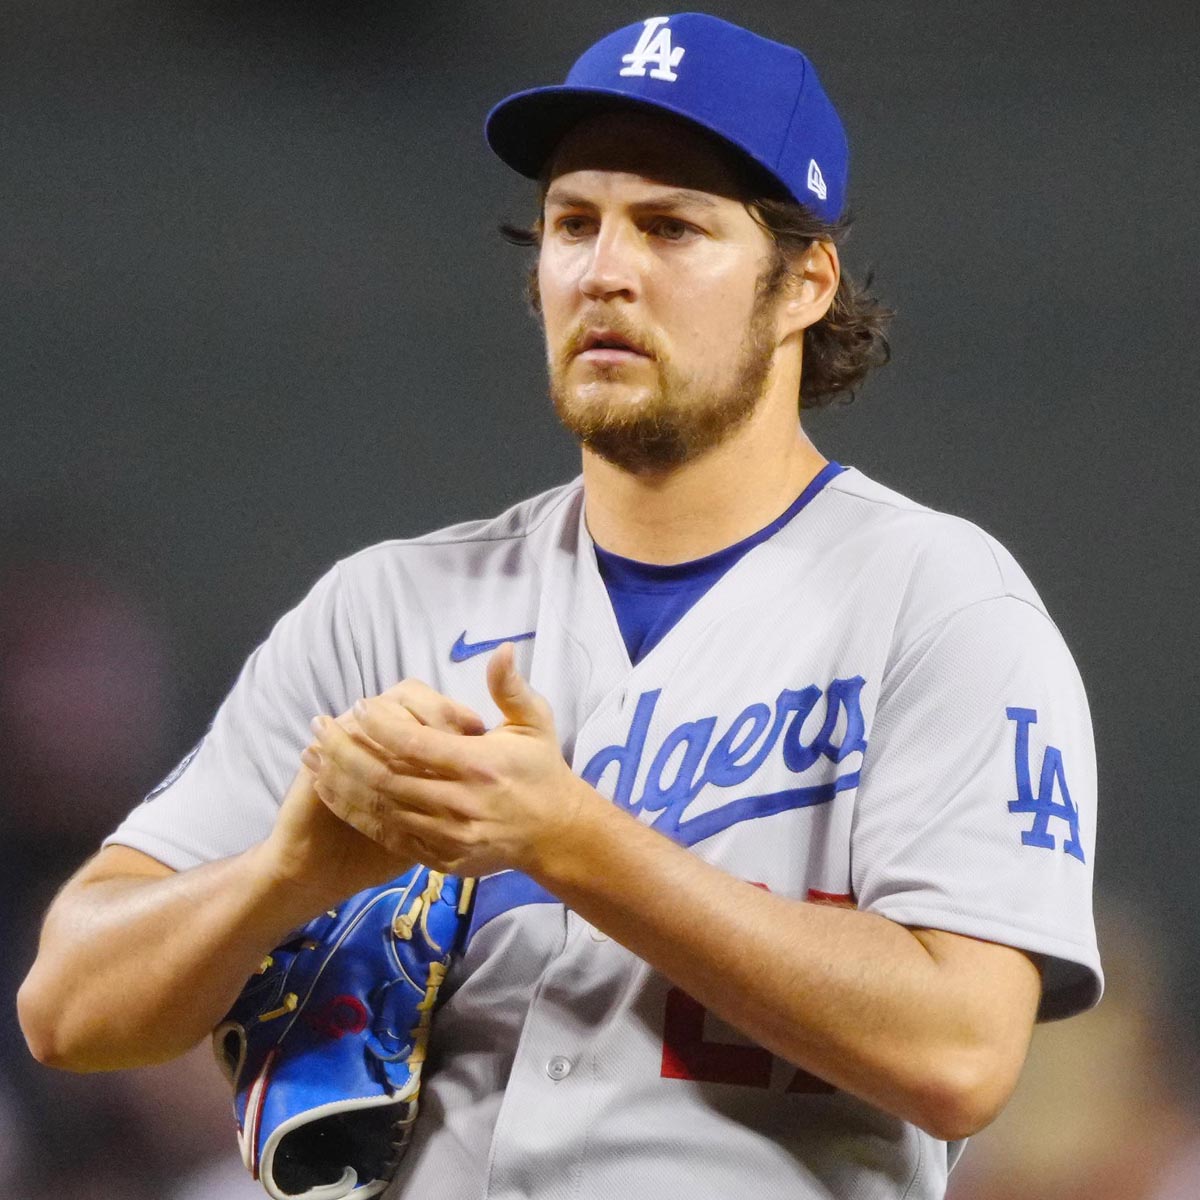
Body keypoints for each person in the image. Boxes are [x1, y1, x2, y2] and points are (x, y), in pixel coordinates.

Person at [17, 13, 1101, 1200]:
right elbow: (68, 1007)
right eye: (574, 223)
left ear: (805, 282)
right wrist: (285, 875)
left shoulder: (937, 606)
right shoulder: (387, 608)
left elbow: (961, 1053)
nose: (604, 271)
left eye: (671, 227)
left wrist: (573, 842)